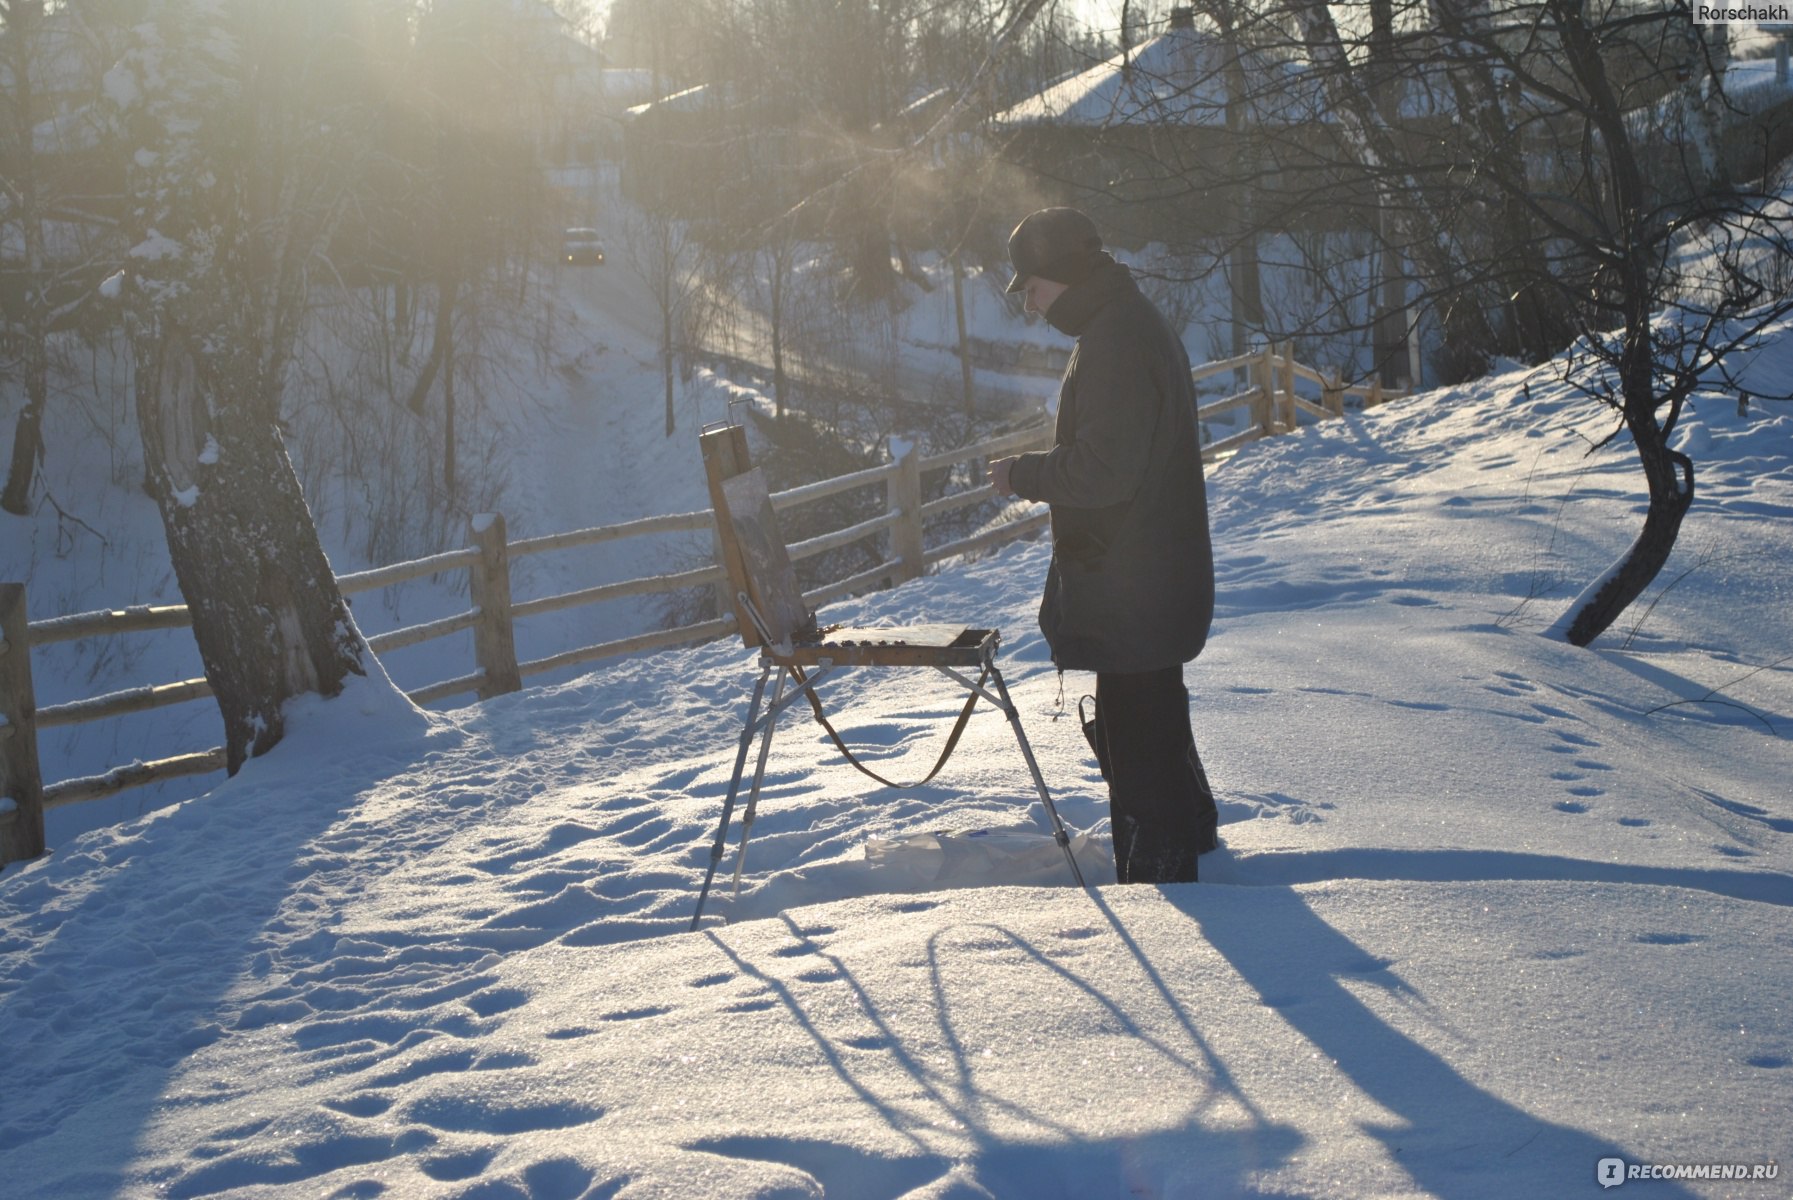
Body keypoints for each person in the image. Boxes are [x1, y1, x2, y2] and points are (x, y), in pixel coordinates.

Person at [987, 206, 1218, 884]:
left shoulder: (1115, 339)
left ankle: (1163, 892)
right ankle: (1192, 859)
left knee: (1142, 741)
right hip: (1145, 580)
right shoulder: (1121, 323)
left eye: (1031, 286)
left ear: (1061, 275)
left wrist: (1023, 474)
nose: (1028, 303)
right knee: (1151, 727)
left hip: (1135, 585)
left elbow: (1104, 471)